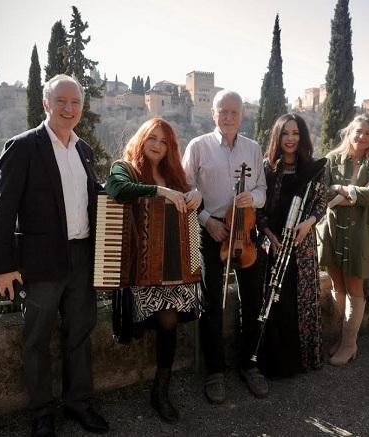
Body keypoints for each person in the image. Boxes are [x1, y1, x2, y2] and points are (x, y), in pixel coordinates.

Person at [0, 74, 109, 437]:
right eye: (62, 102)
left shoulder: (84, 150)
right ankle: (42, 414)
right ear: (46, 103)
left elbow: (94, 198)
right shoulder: (23, 146)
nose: (69, 109)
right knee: (37, 339)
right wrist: (4, 266)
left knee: (79, 334)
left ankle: (79, 405)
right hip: (41, 262)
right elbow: (2, 208)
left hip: (81, 256)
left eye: (76, 103)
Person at [104, 118, 202, 423]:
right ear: (142, 138)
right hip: (141, 264)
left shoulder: (175, 173)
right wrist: (160, 192)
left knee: (169, 322)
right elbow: (116, 189)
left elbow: (189, 207)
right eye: (153, 138)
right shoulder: (126, 168)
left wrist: (196, 196)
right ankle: (156, 388)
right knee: (158, 321)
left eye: (164, 141)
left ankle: (161, 390)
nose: (158, 145)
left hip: (176, 265)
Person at [182, 89, 268, 403]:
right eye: (223, 111)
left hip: (245, 230)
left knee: (252, 300)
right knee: (211, 302)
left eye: (234, 112)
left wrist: (253, 198)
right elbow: (185, 188)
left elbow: (262, 189)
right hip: (213, 230)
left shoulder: (253, 148)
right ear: (213, 113)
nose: (229, 117)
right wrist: (207, 220)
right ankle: (215, 371)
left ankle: (249, 365)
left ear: (242, 115)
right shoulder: (198, 146)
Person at [255, 113, 327, 378]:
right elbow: (258, 208)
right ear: (277, 136)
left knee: (299, 301)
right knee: (275, 303)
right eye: (285, 133)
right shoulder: (266, 167)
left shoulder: (314, 168)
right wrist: (267, 234)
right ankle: (271, 364)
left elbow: (321, 204)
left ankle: (300, 361)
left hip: (302, 246)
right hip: (272, 245)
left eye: (296, 133)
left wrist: (308, 224)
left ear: (303, 136)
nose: (291, 139)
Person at [317, 114, 369, 366]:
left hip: (360, 232)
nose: (362, 137)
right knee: (338, 286)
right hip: (332, 229)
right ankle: (343, 337)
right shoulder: (332, 159)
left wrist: (341, 190)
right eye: (358, 131)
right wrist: (340, 193)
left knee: (354, 287)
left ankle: (349, 344)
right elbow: (321, 191)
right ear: (350, 132)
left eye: (368, 133)